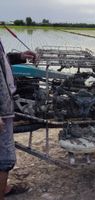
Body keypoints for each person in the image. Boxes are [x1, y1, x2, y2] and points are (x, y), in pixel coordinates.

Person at [0, 39, 36, 200]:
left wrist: (20, 56)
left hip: (5, 105)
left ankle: (4, 188)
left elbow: (3, 61)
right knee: (4, 159)